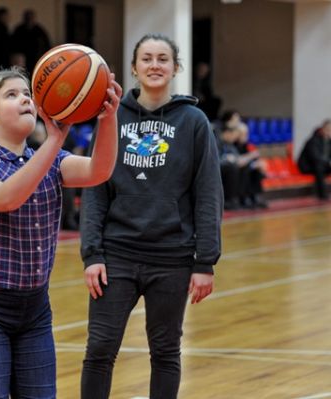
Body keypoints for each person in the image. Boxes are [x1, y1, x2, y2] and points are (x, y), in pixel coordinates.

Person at [0, 66, 121, 398]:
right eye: (11, 95)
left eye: (27, 93)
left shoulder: (53, 161)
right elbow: (6, 197)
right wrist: (55, 140)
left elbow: (100, 171)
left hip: (35, 308)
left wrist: (108, 118)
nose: (25, 99)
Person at [80, 34, 223, 398]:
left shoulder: (194, 122)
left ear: (176, 68)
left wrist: (205, 261)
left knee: (165, 353)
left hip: (172, 257)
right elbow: (96, 188)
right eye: (147, 59)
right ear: (134, 67)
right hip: (116, 256)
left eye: (163, 59)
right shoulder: (111, 117)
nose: (154, 65)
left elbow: (208, 192)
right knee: (99, 351)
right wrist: (92, 254)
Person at [297, 119, 331, 200]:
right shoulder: (313, 140)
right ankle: (322, 195)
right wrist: (328, 163)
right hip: (308, 166)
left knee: (320, 168)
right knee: (319, 168)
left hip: (322, 165)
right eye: (329, 130)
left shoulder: (329, 142)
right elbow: (315, 157)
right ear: (323, 129)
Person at [11, 9, 51, 74]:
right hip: (22, 60)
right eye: (28, 18)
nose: (29, 20)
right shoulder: (19, 30)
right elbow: (13, 45)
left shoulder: (39, 30)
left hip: (36, 58)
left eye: (31, 18)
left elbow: (46, 44)